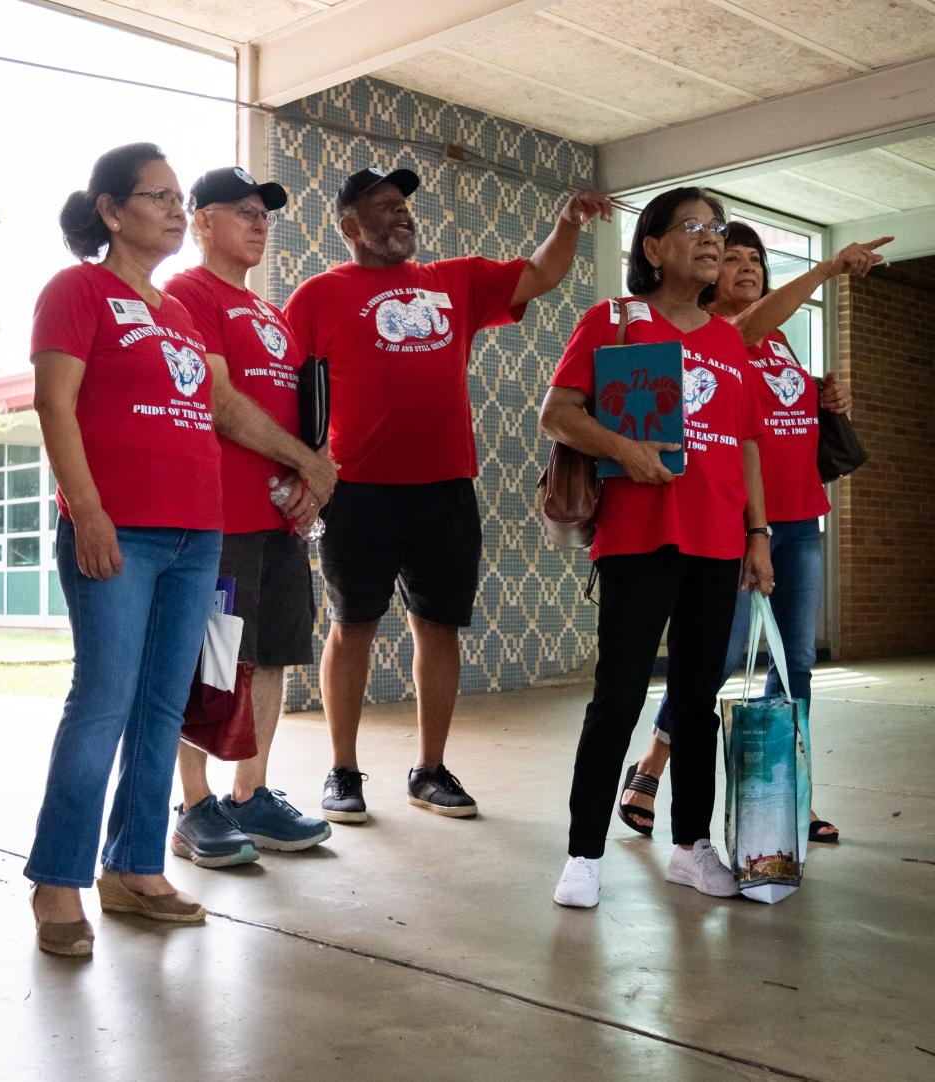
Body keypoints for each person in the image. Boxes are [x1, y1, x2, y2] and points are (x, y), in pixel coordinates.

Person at [283, 166, 612, 822]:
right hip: (359, 490)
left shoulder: (452, 280)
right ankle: (343, 771)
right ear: (350, 227)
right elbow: (290, 391)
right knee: (353, 627)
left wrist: (567, 224)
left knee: (439, 628)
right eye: (383, 207)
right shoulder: (317, 296)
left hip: (444, 489)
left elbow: (540, 275)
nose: (401, 214)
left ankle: (429, 771)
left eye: (403, 205)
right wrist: (304, 470)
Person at [616, 223, 890, 844]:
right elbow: (750, 339)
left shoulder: (783, 339)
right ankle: (650, 769)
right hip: (743, 525)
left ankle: (792, 797)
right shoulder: (722, 337)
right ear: (710, 276)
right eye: (731, 258)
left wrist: (828, 397)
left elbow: (779, 412)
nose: (746, 266)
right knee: (709, 664)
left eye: (755, 258)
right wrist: (830, 268)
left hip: (802, 520)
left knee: (795, 666)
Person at [540, 187, 774, 908]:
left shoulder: (729, 340)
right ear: (652, 247)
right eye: (694, 228)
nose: (711, 241)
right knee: (616, 698)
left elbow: (744, 445)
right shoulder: (614, 322)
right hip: (639, 539)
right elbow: (556, 413)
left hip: (715, 541)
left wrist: (758, 535)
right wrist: (626, 451)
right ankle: (584, 853)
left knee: (698, 700)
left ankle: (691, 845)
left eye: (717, 230)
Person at [25, 143, 223, 954]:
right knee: (103, 699)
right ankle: (57, 881)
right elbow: (52, 404)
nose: (177, 210)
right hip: (118, 529)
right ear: (110, 211)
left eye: (180, 197)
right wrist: (89, 510)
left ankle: (134, 867)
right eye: (157, 196)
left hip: (195, 534)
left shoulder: (177, 310)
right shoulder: (78, 290)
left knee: (162, 707)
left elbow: (210, 411)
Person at [163, 167, 339, 867]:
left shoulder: (272, 316)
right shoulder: (188, 295)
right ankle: (195, 805)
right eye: (242, 211)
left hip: (280, 522)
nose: (260, 222)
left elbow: (307, 412)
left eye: (264, 213)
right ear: (201, 220)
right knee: (210, 661)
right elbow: (219, 401)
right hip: (219, 517)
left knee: (270, 655)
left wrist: (313, 475)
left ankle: (250, 795)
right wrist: (310, 460)